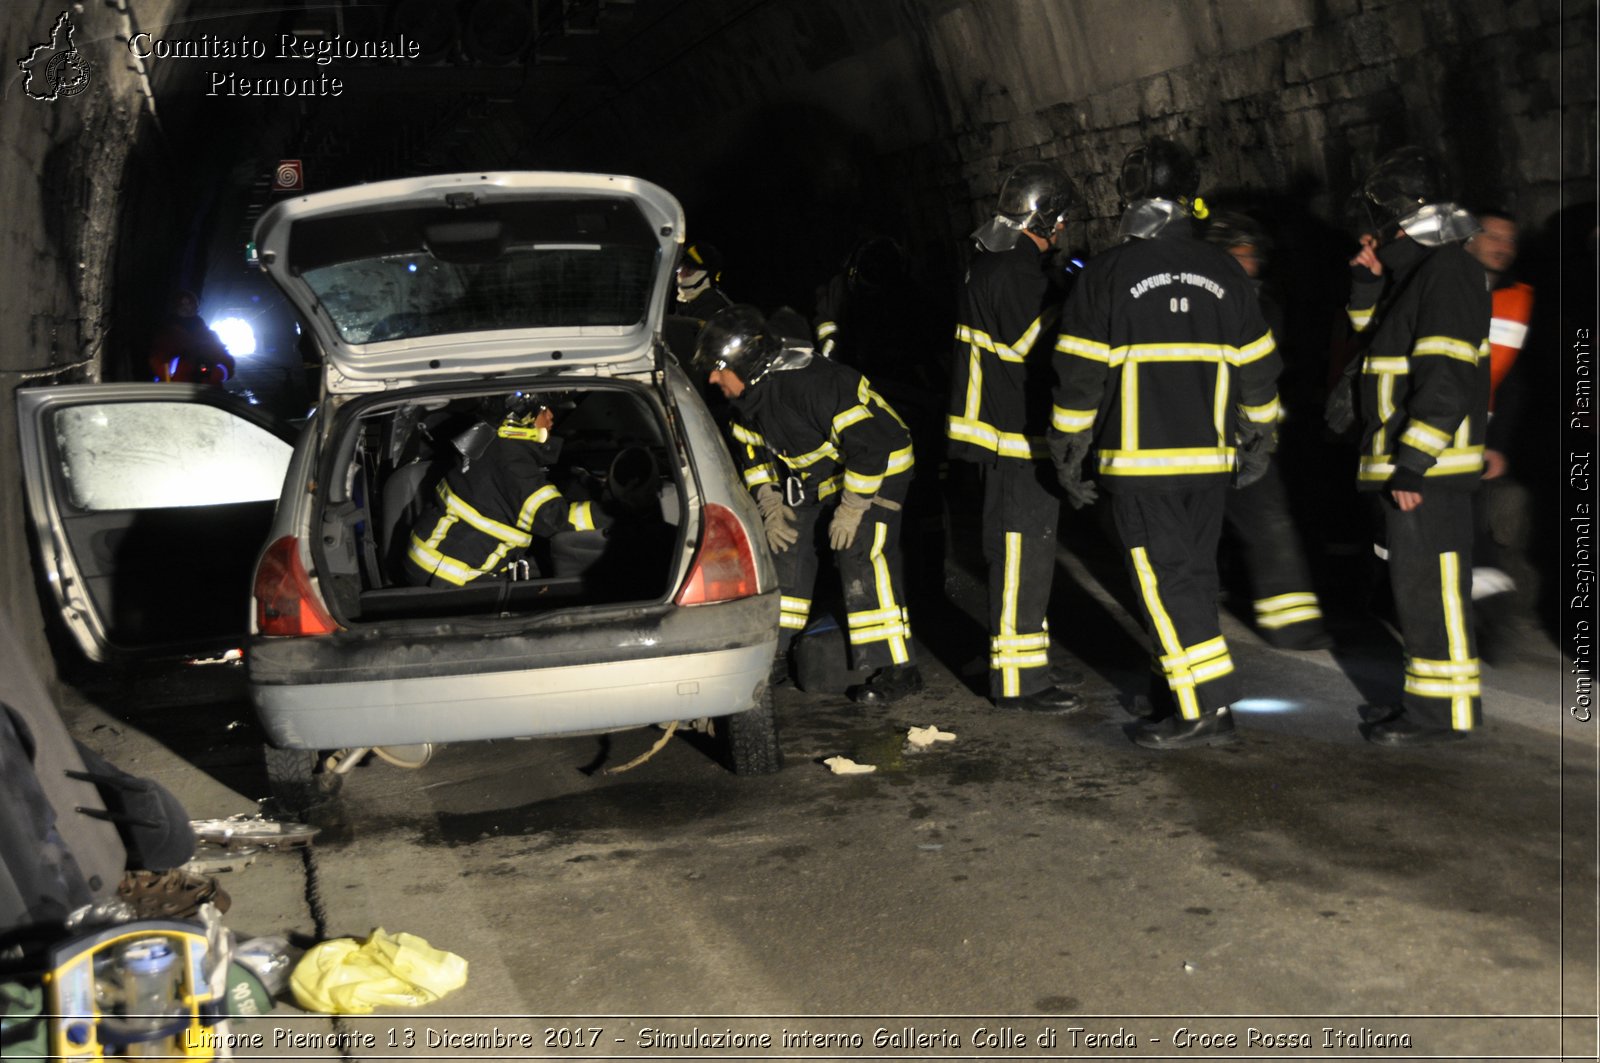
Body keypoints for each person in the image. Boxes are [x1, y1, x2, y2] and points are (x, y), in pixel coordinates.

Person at [1048, 137, 1282, 749]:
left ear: (1128, 196)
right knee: (1193, 577)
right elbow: (1258, 364)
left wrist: (1068, 446)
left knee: (1163, 581)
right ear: (1190, 196)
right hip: (1208, 463)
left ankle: (1205, 706)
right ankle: (1192, 698)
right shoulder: (1225, 270)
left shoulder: (1107, 273)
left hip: (1140, 463)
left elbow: (1079, 374)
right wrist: (1261, 433)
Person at [697, 305, 921, 705]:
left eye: (718, 367)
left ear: (746, 366)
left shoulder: (811, 385)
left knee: (860, 554)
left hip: (879, 469)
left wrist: (852, 508)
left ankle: (899, 669)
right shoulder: (751, 401)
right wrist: (768, 500)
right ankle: (777, 653)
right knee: (788, 548)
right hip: (825, 476)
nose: (712, 377)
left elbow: (872, 447)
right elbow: (751, 450)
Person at [1342, 146, 1492, 745]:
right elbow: (1377, 348)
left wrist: (1412, 467)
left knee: (1436, 591)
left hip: (1429, 473)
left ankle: (1445, 714)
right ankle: (1426, 702)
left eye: (1383, 223)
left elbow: (1447, 376)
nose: (1376, 234)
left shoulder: (1449, 273)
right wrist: (1364, 285)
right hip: (1409, 466)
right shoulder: (1421, 276)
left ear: (1401, 221)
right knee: (1415, 593)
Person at [945, 161, 1084, 714]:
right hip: (1016, 436)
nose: (1064, 231)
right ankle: (1021, 681)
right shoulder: (1019, 274)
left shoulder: (989, 262)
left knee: (1010, 552)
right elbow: (1041, 346)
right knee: (1025, 555)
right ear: (1046, 217)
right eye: (1062, 220)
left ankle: (1015, 665)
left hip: (994, 435)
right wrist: (1076, 303)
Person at [1203, 213, 1332, 651]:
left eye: (1249, 257)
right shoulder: (1196, 303)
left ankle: (1292, 625)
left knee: (1269, 521)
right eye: (1234, 257)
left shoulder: (1263, 305)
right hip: (1198, 437)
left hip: (1247, 437)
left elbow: (1262, 371)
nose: (1245, 265)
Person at [402, 394, 607, 587]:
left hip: (436, 560)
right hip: (449, 572)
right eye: (544, 410)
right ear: (520, 417)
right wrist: (612, 511)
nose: (551, 416)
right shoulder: (508, 461)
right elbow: (553, 519)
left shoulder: (492, 441)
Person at [1464, 208, 1535, 650]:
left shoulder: (1520, 298)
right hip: (1428, 425)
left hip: (1477, 432)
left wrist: (1498, 444)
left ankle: (1490, 620)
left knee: (1471, 522)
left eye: (1510, 240)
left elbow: (1516, 382)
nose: (1502, 247)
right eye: (1493, 236)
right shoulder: (1441, 284)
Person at [148, 289, 235, 386]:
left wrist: (217, 372)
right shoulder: (165, 336)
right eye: (182, 308)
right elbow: (159, 365)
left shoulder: (210, 336)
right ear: (175, 310)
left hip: (208, 393)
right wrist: (184, 365)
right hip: (178, 392)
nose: (187, 310)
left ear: (197, 309)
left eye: (191, 307)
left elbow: (227, 363)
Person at [675, 241, 733, 320]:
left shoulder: (717, 311)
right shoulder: (688, 305)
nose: (681, 274)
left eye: (689, 269)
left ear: (708, 277)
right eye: (680, 268)